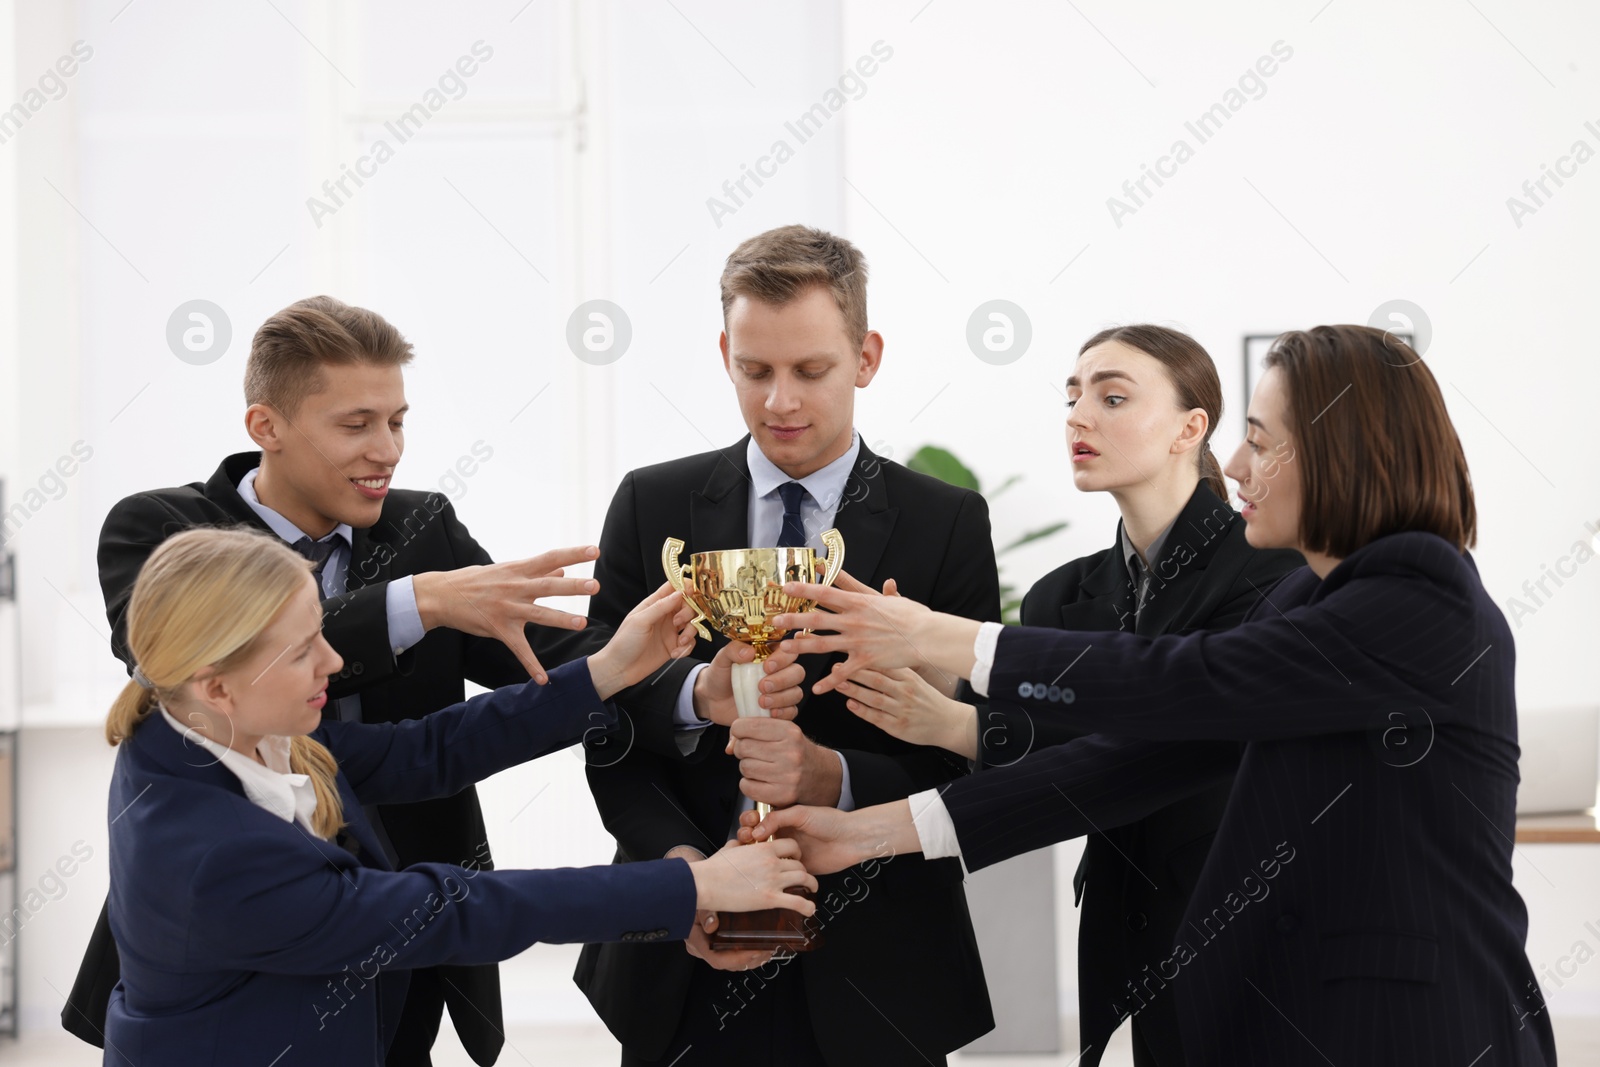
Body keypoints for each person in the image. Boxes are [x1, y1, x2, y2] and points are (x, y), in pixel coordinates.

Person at [747, 325, 1557, 1065]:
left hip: (1420, 1028)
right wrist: (862, 835)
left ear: (1339, 452)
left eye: (1260, 442)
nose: (1236, 468)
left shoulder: (1418, 590)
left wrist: (935, 635)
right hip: (1298, 1013)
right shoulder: (1307, 602)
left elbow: (1184, 680)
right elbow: (1128, 765)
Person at [66, 295, 809, 1065]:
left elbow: (436, 743)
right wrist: (420, 600)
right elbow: (462, 904)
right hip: (270, 989)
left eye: (397, 420)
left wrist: (656, 677)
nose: (387, 448)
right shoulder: (162, 536)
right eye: (356, 424)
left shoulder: (243, 741)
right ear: (267, 426)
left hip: (393, 976)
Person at [100, 526, 814, 1064]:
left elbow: (427, 749)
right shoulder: (215, 856)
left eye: (320, 632)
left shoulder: (206, 727)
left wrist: (611, 667)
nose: (335, 661)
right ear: (214, 681)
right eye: (301, 652)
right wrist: (692, 884)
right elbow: (454, 910)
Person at [574, 225, 999, 1066]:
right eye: (756, 371)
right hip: (680, 962)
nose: (780, 402)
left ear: (866, 356)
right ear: (725, 352)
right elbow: (601, 723)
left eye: (810, 371)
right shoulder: (649, 504)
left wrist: (830, 777)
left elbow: (971, 746)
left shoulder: (945, 522)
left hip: (883, 965)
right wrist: (682, 875)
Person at [837, 324, 1302, 1066]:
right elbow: (1049, 758)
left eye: (1112, 397)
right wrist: (932, 682)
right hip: (1125, 919)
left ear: (1192, 427)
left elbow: (1166, 724)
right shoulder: (1062, 594)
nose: (1079, 416)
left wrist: (961, 719)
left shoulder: (1275, 571)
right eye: (1073, 396)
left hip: (1245, 910)